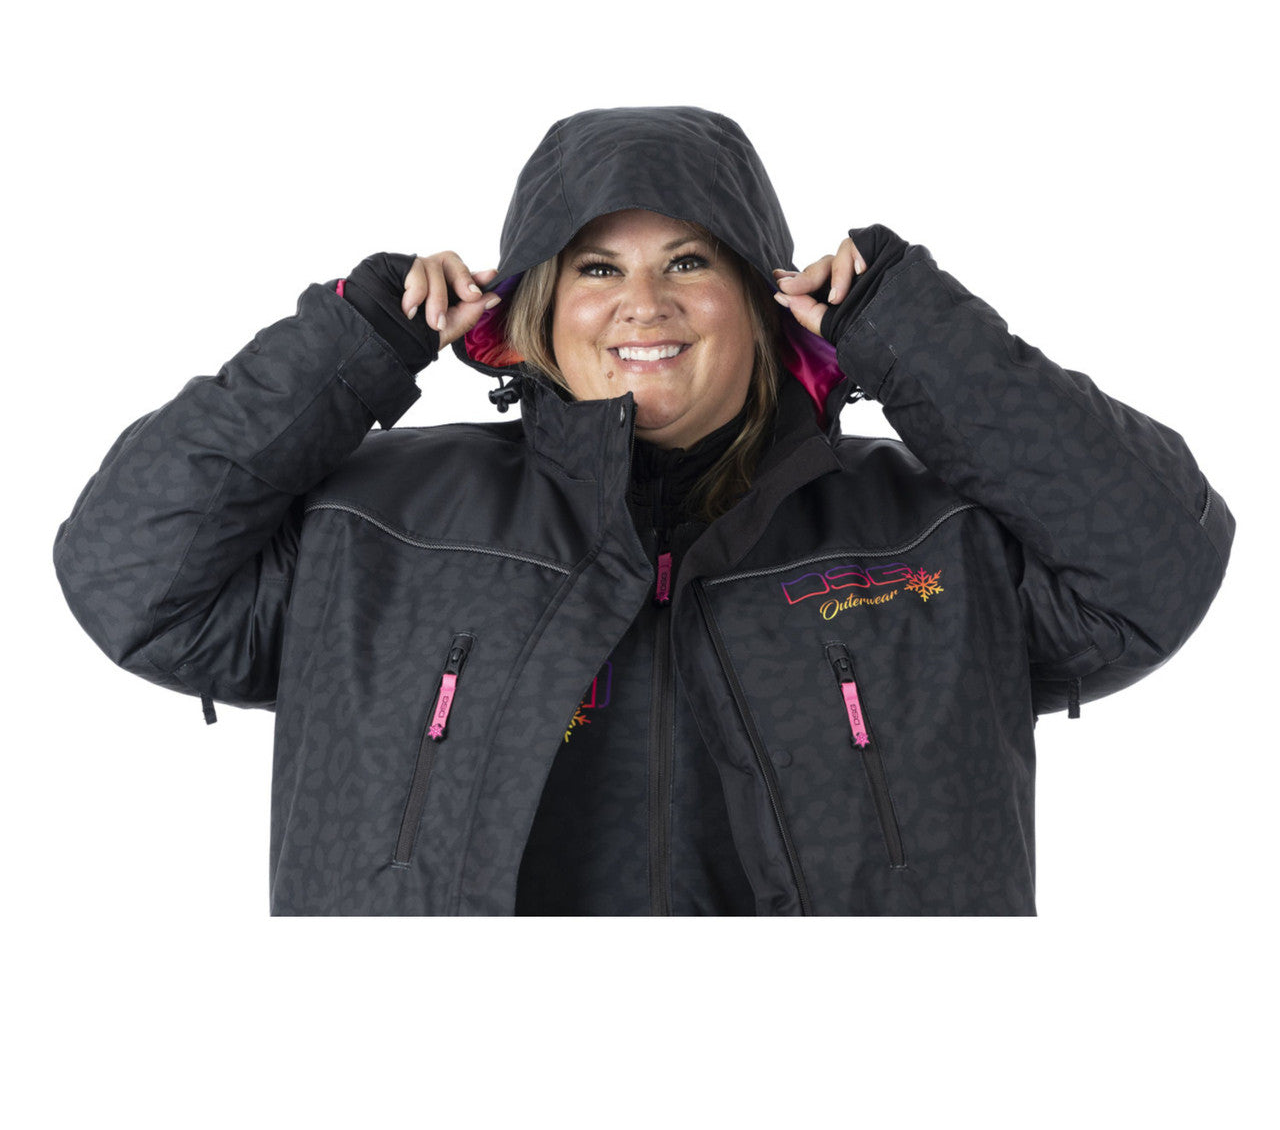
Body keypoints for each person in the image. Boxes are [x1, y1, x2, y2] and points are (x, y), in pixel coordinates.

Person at [51, 105, 1235, 917]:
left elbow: (1154, 561)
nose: (643, 304)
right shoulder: (375, 524)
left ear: (763, 300)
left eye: (690, 261)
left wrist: (914, 332)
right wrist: (351, 344)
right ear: (532, 308)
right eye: (596, 268)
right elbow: (127, 573)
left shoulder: (926, 532)